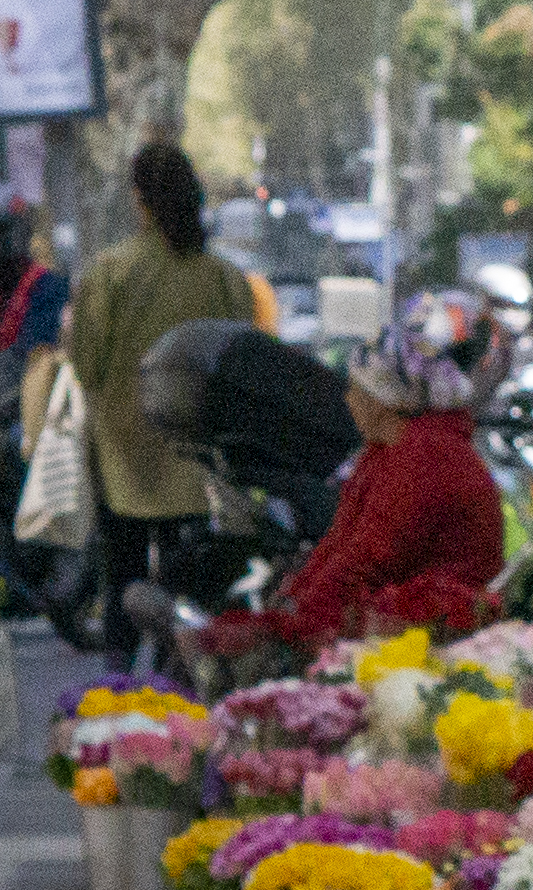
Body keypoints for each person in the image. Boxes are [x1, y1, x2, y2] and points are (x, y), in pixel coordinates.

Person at [60, 142, 254, 656]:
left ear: (140, 199)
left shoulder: (110, 272)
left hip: (124, 458)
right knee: (184, 588)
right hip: (197, 464)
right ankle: (183, 691)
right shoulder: (225, 279)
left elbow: (87, 365)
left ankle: (119, 692)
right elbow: (242, 366)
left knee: (121, 577)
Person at [268, 319, 508, 642]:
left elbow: (369, 559)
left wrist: (298, 626)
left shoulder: (426, 454)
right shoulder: (387, 450)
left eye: (358, 389)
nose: (349, 400)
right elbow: (342, 543)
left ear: (385, 399)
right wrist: (296, 600)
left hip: (443, 633)